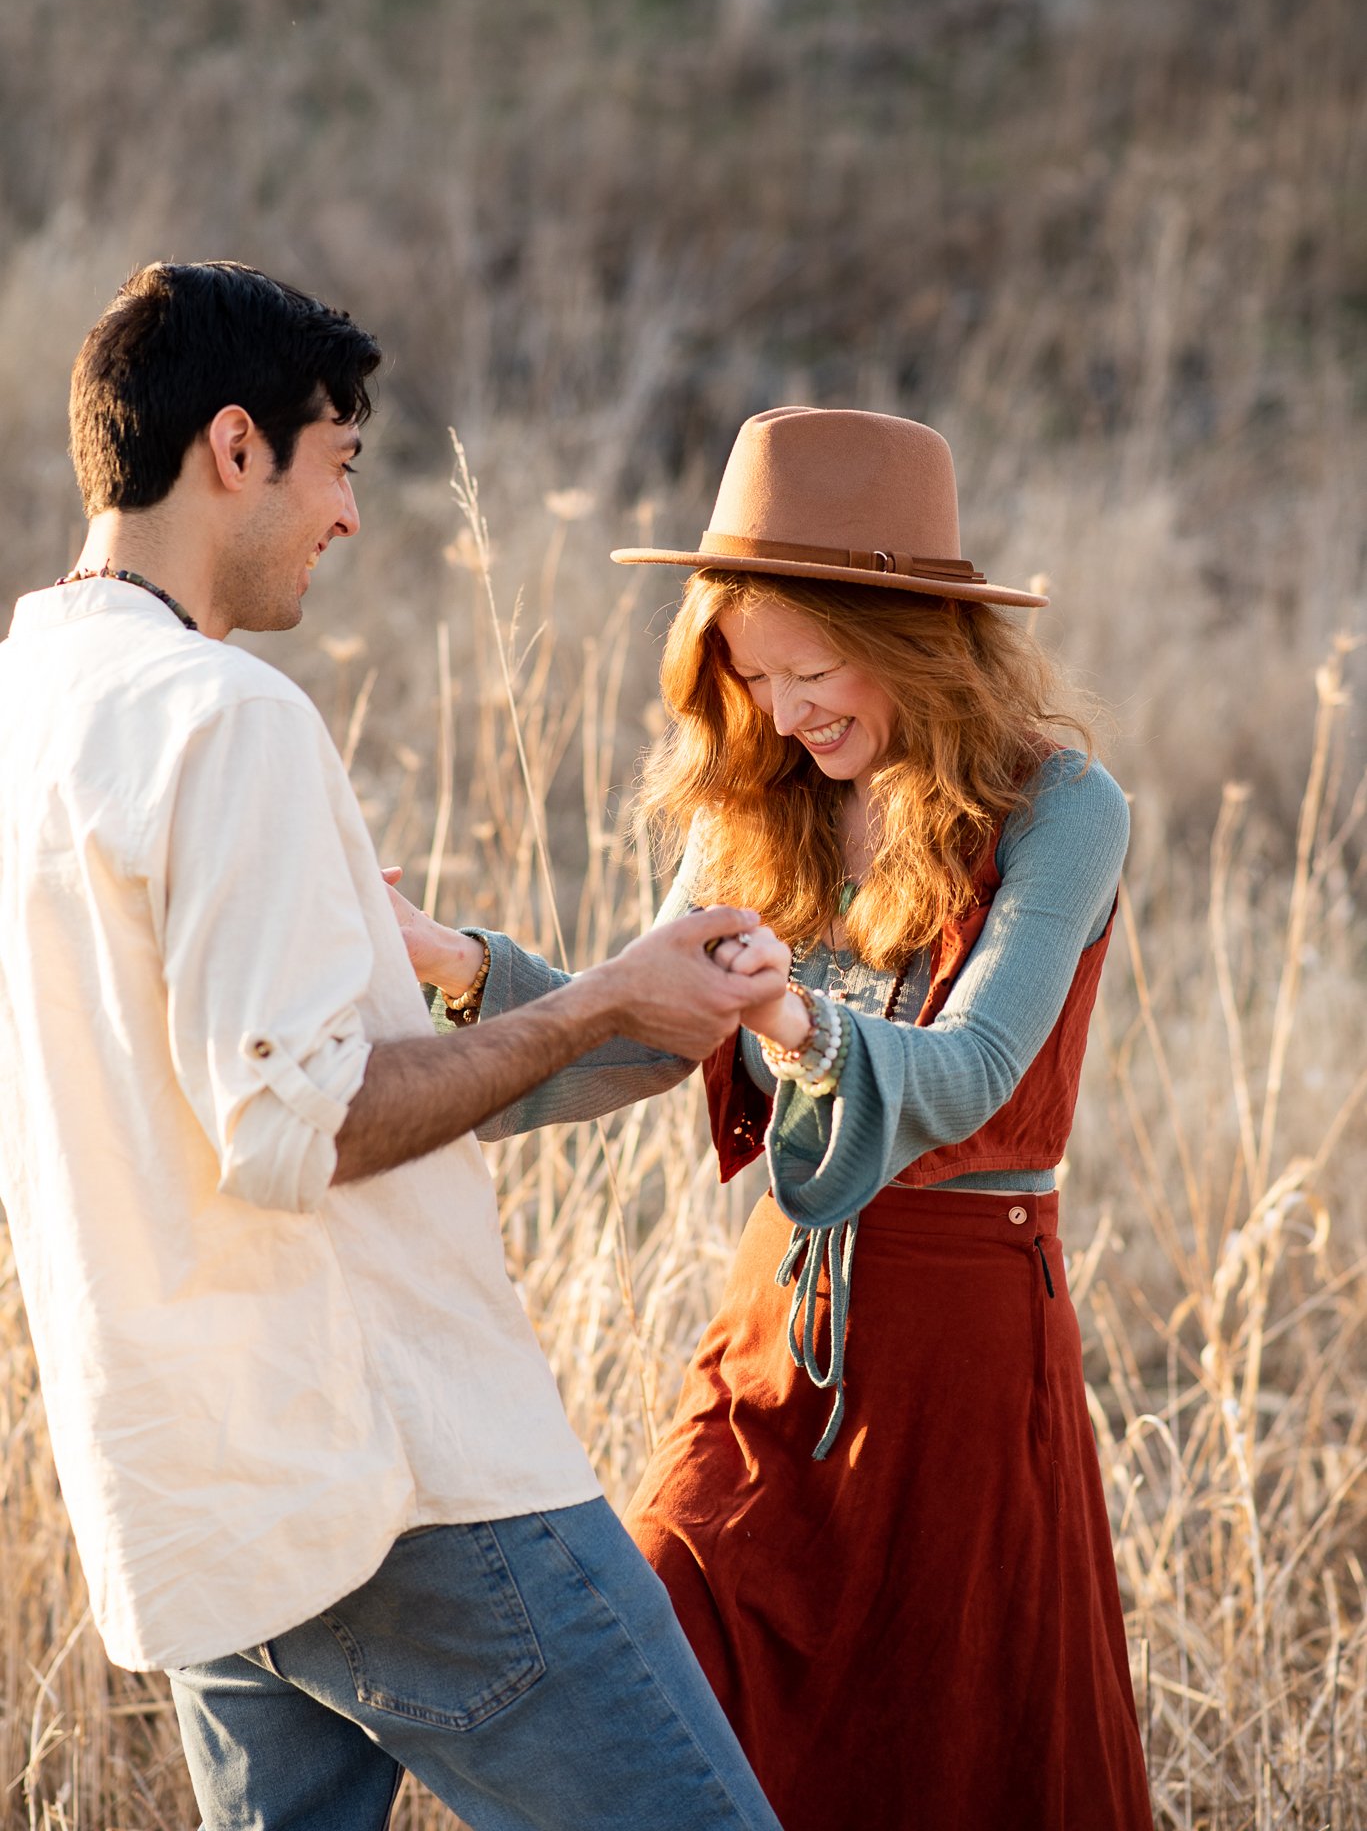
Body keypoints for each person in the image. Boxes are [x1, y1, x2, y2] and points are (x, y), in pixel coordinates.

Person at [0, 261, 789, 1831]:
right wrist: (607, 1000)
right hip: (401, 1492)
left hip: (192, 1510)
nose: (348, 518)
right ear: (236, 448)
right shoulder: (225, 715)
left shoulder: (31, 705)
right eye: (337, 463)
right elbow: (300, 1127)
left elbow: (167, 1067)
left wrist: (364, 961)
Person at [394, 407, 1154, 1830]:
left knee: (954, 1751)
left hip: (965, 1351)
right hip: (774, 1324)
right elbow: (630, 1037)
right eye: (758, 678)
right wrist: (459, 969)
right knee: (658, 1667)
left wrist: (792, 1020)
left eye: (815, 667)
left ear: (918, 635)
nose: (790, 711)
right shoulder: (761, 807)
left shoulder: (1064, 807)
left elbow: (974, 1068)